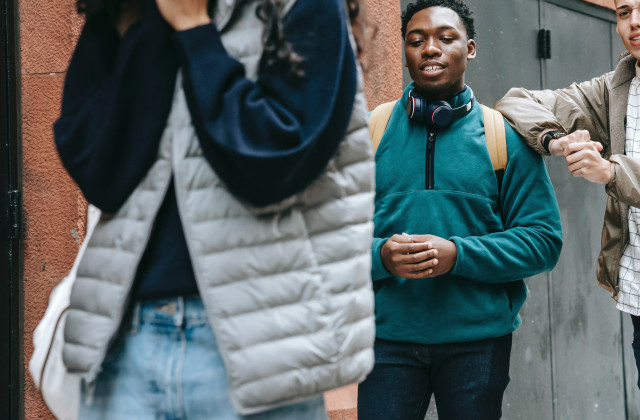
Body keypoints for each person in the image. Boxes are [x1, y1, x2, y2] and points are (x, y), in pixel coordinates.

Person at [52, 0, 377, 418]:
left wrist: (194, 31)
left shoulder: (304, 6)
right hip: (125, 342)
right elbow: (97, 168)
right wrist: (154, 29)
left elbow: (276, 163)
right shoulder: (127, 8)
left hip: (254, 348)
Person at [356, 1, 563, 419]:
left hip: (478, 343)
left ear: (469, 49)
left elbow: (543, 241)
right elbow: (328, 239)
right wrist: (379, 255)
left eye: (445, 38)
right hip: (384, 341)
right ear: (406, 51)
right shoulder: (371, 133)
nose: (430, 49)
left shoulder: (503, 136)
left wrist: (458, 254)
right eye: (417, 41)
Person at [495, 0, 640, 393]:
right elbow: (515, 101)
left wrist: (610, 171)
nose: (634, 22)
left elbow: (614, 172)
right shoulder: (617, 88)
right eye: (624, 12)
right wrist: (556, 141)